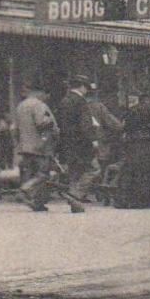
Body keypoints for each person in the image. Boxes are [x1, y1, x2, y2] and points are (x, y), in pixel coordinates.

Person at [14, 85, 72, 212]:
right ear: (40, 92)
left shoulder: (20, 106)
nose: (47, 98)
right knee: (42, 174)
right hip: (40, 145)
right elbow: (43, 123)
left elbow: (15, 129)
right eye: (47, 94)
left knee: (30, 173)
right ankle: (25, 189)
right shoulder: (39, 105)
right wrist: (53, 129)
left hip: (25, 146)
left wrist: (19, 143)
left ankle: (36, 202)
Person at [115, 95, 150, 208]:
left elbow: (123, 127)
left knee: (129, 170)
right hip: (146, 143)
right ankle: (145, 201)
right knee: (146, 171)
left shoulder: (130, 111)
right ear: (146, 100)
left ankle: (124, 200)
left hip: (131, 144)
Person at [56, 76, 98, 208]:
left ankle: (75, 204)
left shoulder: (64, 100)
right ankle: (75, 194)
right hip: (81, 142)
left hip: (67, 142)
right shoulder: (80, 101)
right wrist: (92, 140)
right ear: (82, 87)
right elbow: (85, 124)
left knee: (75, 172)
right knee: (94, 169)